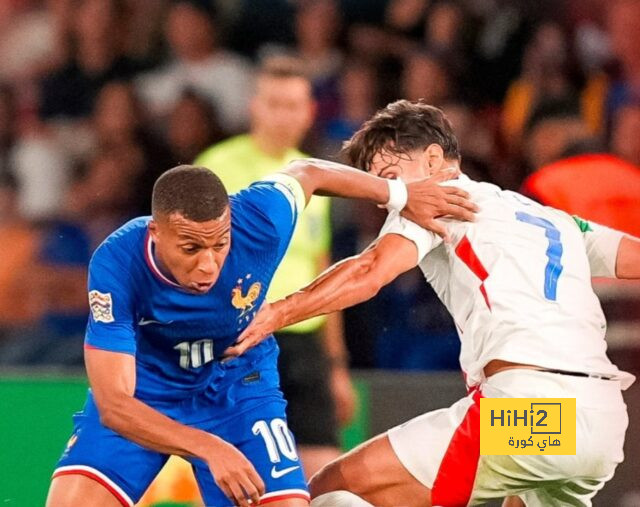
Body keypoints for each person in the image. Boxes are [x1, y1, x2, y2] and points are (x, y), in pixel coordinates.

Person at [227, 100, 640, 507]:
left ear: (432, 159)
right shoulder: (551, 219)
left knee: (331, 490)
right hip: (601, 421)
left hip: (532, 412)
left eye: (390, 176)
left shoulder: (436, 198)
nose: (385, 196)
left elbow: (369, 270)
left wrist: (275, 313)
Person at [45, 161, 475, 507]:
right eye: (192, 249)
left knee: (522, 460)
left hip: (237, 390)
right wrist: (209, 447)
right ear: (155, 233)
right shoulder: (118, 261)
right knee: (529, 466)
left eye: (220, 244)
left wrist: (400, 194)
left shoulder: (258, 220)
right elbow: (114, 405)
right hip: (149, 394)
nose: (209, 265)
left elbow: (310, 172)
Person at [195, 55, 355, 478]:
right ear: (254, 107)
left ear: (310, 112)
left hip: (305, 342)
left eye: (293, 105)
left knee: (322, 472)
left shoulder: (316, 177)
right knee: (238, 473)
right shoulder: (216, 167)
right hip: (239, 337)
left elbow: (322, 268)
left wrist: (336, 365)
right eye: (274, 103)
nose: (284, 115)